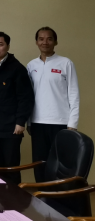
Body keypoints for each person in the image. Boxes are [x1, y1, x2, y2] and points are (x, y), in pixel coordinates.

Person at [0, 32, 35, 184]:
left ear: (8, 46)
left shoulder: (17, 68)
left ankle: (14, 197)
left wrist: (20, 122)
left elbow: (26, 98)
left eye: (0, 44)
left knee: (11, 167)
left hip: (11, 127)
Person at [27, 27, 80, 182]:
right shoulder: (31, 65)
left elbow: (74, 94)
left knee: (61, 165)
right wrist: (28, 122)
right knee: (40, 164)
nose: (45, 42)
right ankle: (41, 195)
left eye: (49, 39)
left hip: (61, 122)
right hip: (37, 123)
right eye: (41, 39)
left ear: (55, 42)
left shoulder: (66, 63)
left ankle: (60, 196)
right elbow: (28, 96)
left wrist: (72, 124)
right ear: (36, 42)